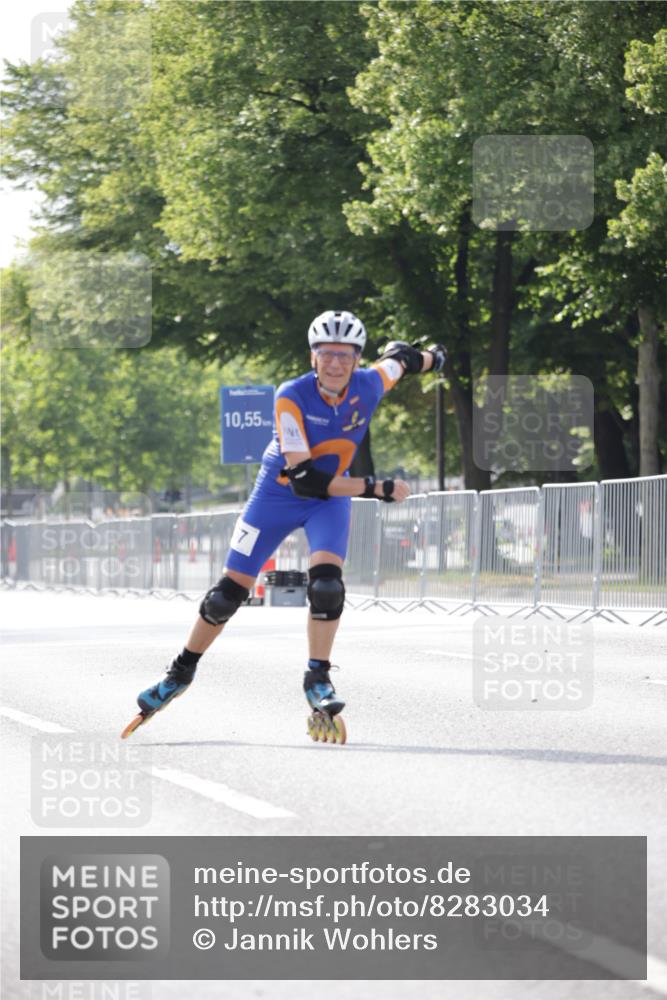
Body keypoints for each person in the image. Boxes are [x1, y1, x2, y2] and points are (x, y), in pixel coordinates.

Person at [126, 311, 445, 739]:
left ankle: (318, 676)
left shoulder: (370, 384)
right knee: (225, 597)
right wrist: (376, 487)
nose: (335, 364)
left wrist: (434, 357)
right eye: (326, 354)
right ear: (313, 357)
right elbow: (305, 479)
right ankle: (179, 673)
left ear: (357, 359)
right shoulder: (291, 395)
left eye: (344, 355)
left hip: (327, 503)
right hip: (277, 496)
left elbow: (402, 360)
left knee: (327, 587)